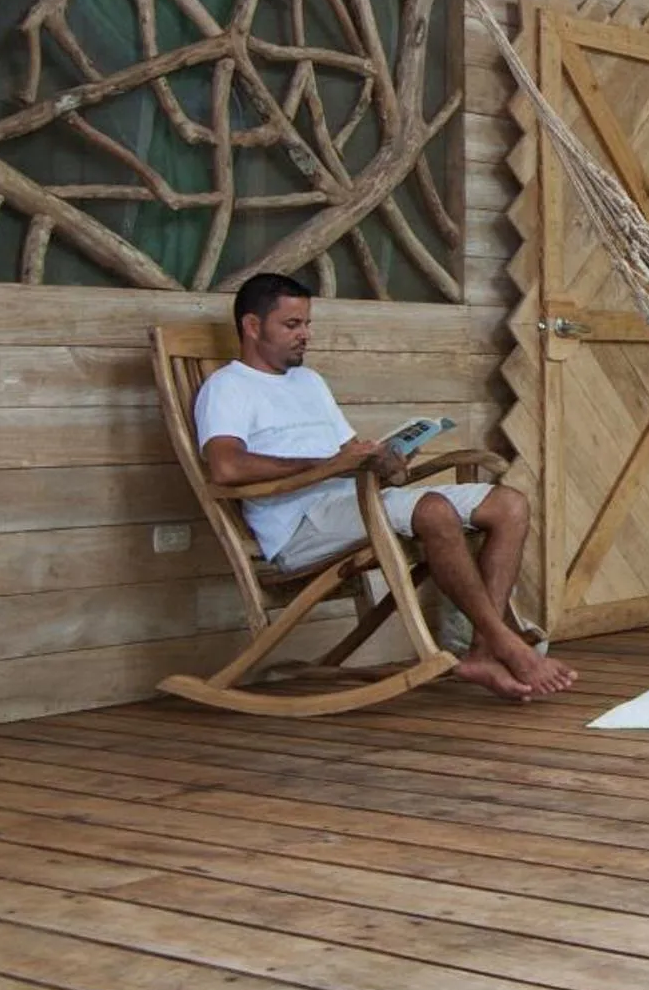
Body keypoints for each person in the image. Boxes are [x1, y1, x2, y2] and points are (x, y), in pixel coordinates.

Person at [194, 271, 577, 702]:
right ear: (251, 326)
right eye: (292, 325)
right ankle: (505, 643)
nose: (306, 334)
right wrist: (329, 465)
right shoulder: (227, 387)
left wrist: (386, 459)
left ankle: (481, 650)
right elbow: (225, 467)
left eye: (307, 323)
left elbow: (345, 453)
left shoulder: (308, 382)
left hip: (354, 501)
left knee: (508, 505)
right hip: (299, 526)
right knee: (433, 510)